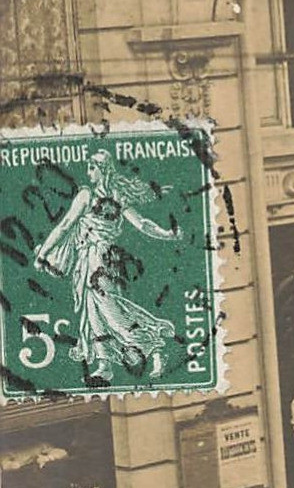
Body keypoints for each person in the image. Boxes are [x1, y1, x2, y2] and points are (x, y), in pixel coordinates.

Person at [30, 148, 181, 383]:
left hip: (97, 260)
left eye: (92, 167)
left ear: (103, 170)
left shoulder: (89, 196)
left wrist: (44, 253)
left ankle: (153, 344)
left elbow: (66, 226)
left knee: (110, 309)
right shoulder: (110, 196)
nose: (88, 172)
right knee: (93, 312)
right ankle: (105, 365)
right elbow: (141, 224)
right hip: (96, 259)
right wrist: (167, 234)